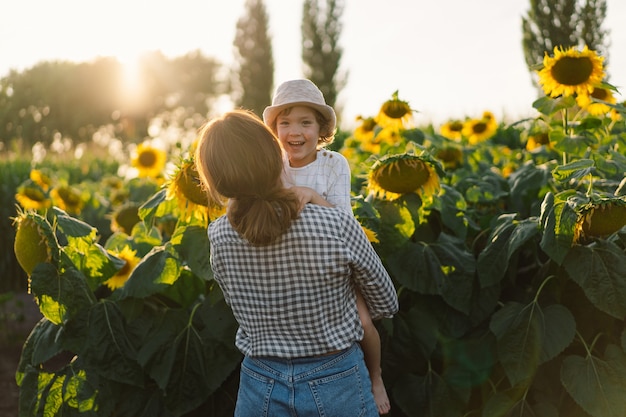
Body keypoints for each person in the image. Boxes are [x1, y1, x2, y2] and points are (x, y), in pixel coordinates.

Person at [194, 110, 399, 417]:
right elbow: (385, 303)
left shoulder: (219, 234)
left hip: (259, 383)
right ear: (275, 156)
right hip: (337, 380)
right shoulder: (334, 223)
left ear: (214, 180)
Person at [263, 79, 392, 414]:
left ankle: (375, 376)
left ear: (321, 129)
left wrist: (311, 196)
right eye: (285, 123)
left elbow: (343, 223)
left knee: (362, 324)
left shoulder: (333, 164)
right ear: (275, 129)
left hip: (334, 264)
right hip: (288, 266)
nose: (295, 132)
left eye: (306, 123)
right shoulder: (273, 167)